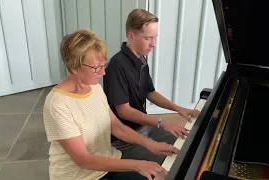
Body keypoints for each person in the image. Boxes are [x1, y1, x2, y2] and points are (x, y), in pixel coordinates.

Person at [43, 29, 179, 180]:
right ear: (73, 67)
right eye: (96, 67)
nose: (103, 73)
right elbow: (83, 159)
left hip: (109, 161)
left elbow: (116, 127)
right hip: (80, 176)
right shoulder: (57, 104)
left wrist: (149, 144)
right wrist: (137, 165)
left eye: (103, 64)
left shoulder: (94, 87)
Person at [103, 9, 199, 164]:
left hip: (145, 127)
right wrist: (161, 121)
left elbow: (150, 92)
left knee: (187, 144)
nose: (153, 44)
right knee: (175, 161)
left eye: (155, 38)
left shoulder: (141, 59)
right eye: (148, 38)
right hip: (125, 140)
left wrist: (178, 108)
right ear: (131, 36)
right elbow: (124, 112)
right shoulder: (116, 66)